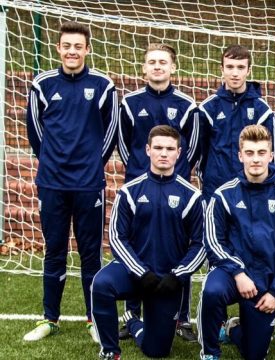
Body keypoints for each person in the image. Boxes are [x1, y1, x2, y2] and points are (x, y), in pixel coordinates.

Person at [24, 21, 118, 342]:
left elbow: (110, 133)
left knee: (91, 253)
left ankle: (94, 319)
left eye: (78, 46)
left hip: (89, 183)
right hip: (52, 182)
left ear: (88, 49)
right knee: (54, 250)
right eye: (67, 46)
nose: (72, 51)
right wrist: (52, 161)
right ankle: (50, 318)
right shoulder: (42, 84)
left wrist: (92, 165)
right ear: (58, 48)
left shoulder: (104, 86)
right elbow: (35, 134)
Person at [91, 125, 205, 360]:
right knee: (101, 284)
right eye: (158, 148)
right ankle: (110, 350)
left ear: (179, 153)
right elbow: (116, 237)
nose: (164, 153)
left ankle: (133, 323)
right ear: (147, 150)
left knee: (157, 351)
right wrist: (140, 272)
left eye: (170, 148)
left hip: (166, 280)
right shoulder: (129, 192)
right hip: (134, 274)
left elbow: (201, 244)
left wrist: (178, 275)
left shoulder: (192, 196)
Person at [198, 124, 275, 360]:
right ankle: (210, 353)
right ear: (240, 156)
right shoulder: (224, 195)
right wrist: (237, 272)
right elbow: (213, 240)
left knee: (253, 354)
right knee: (212, 290)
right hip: (231, 273)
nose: (255, 159)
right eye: (249, 153)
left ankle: (234, 329)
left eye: (260, 153)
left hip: (265, 282)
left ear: (271, 155)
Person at [116, 43, 199, 342]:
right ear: (144, 67)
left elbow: (193, 148)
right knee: (136, 248)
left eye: (163, 62)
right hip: (139, 186)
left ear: (173, 67)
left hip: (176, 189)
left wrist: (179, 177)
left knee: (181, 249)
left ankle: (184, 318)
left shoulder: (188, 105)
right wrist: (139, 172)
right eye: (151, 62)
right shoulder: (130, 102)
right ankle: (131, 314)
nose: (157, 67)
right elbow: (125, 145)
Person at [197, 44, 275, 200]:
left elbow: (272, 153)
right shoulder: (208, 108)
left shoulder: (262, 110)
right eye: (230, 67)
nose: (235, 73)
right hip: (215, 187)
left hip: (251, 187)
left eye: (241, 67)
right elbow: (201, 151)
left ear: (248, 71)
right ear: (222, 69)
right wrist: (209, 177)